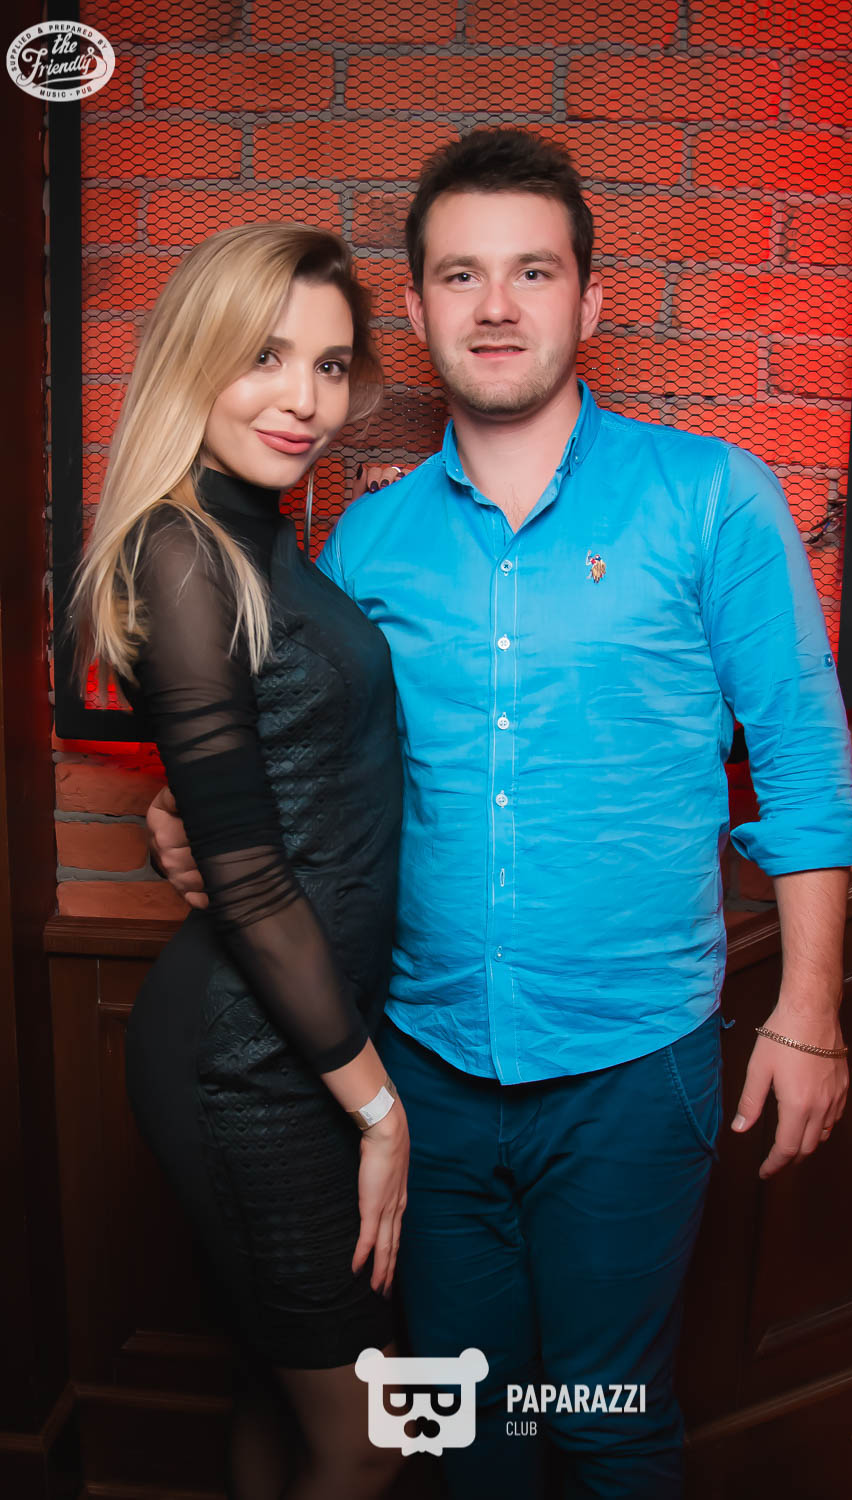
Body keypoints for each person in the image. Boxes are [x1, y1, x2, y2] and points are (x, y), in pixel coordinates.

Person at [150, 131, 852, 1499]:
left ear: (590, 300)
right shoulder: (367, 539)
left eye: (532, 271)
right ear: (417, 312)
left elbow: (800, 760)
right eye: (459, 275)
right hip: (416, 1061)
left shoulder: (710, 498)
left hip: (633, 1066)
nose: (495, 306)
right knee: (465, 1424)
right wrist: (178, 817)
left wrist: (810, 1011)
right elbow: (297, 740)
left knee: (604, 1420)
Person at [74, 224, 410, 1500]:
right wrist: (378, 1111)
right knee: (371, 1438)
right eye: (265, 356)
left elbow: (276, 777)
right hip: (250, 1064)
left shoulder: (263, 541)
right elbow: (255, 878)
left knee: (277, 1395)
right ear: (194, 358)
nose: (304, 399)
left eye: (328, 366)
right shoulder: (180, 547)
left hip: (300, 1043)